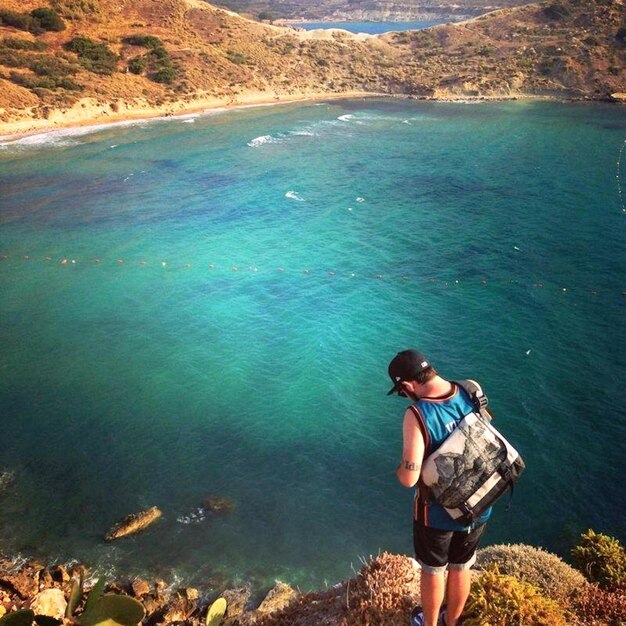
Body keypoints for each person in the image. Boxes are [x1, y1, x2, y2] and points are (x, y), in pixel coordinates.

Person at [387, 349, 491, 626]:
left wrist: (399, 469)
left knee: (433, 570)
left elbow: (409, 477)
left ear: (408, 385)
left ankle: (429, 624)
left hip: (438, 514)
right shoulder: (470, 390)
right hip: (480, 500)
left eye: (401, 391)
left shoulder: (417, 414)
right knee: (462, 564)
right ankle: (452, 620)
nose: (404, 396)